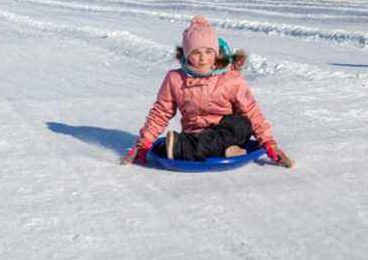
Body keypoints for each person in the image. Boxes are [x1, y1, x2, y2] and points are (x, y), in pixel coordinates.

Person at [122, 15, 293, 168]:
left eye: (209, 52)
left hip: (227, 133)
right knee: (173, 145)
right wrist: (143, 145)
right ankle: (217, 150)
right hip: (196, 134)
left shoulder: (230, 78)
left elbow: (251, 112)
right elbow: (161, 112)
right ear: (187, 55)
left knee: (242, 123)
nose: (203, 58)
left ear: (216, 53)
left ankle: (182, 148)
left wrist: (269, 143)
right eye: (196, 52)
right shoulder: (175, 79)